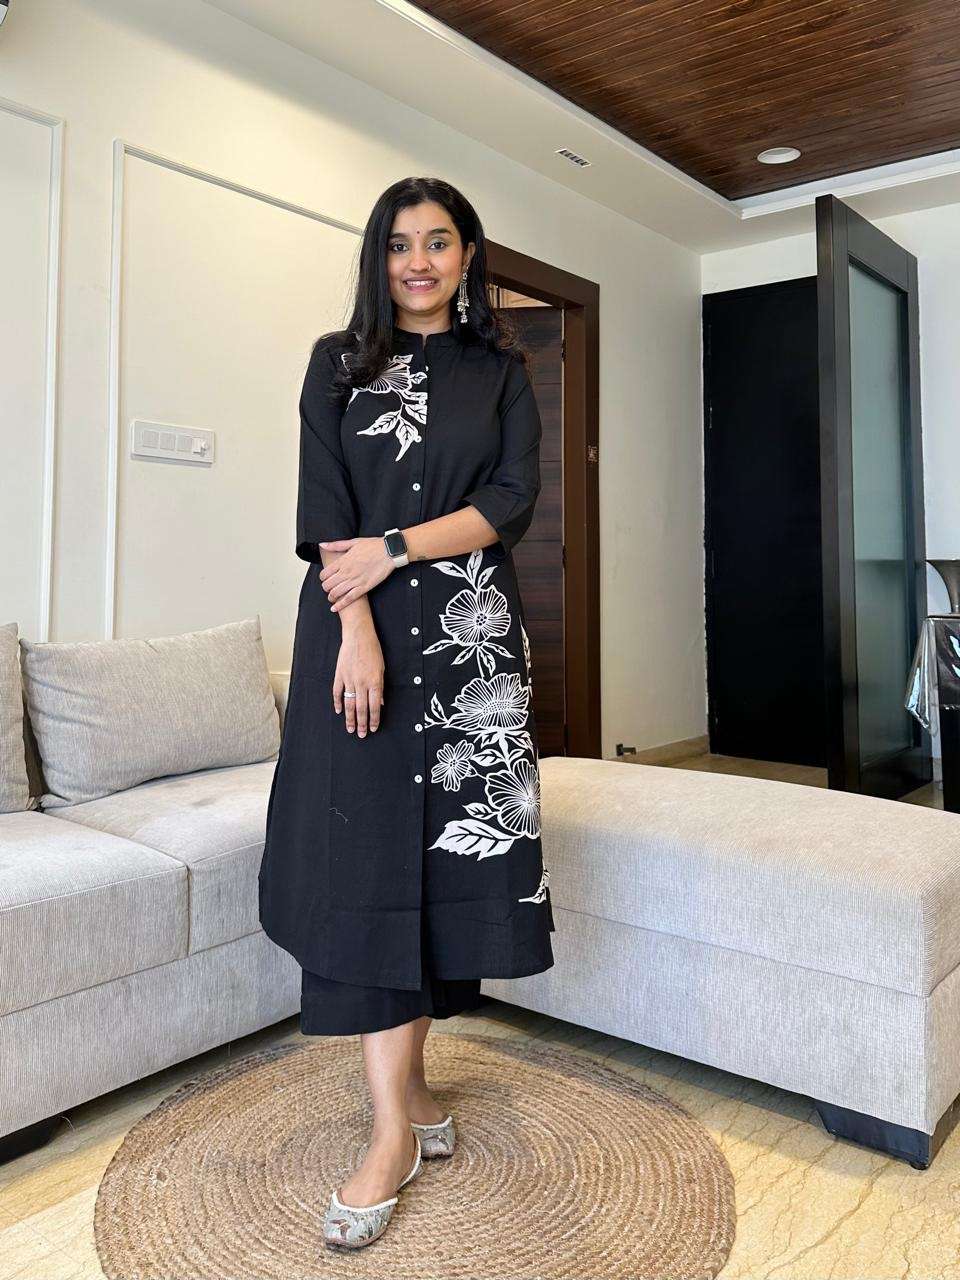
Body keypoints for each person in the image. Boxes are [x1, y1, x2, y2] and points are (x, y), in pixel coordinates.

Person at [258, 175, 555, 1250]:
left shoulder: (500, 370)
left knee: (441, 864)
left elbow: (510, 501)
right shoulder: (337, 362)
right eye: (398, 244)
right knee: (366, 858)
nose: (417, 262)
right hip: (358, 636)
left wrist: (397, 546)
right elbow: (326, 513)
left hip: (470, 640)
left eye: (437, 242)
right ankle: (390, 1128)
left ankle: (414, 1093)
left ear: (468, 254)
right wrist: (360, 622)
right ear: (376, 258)